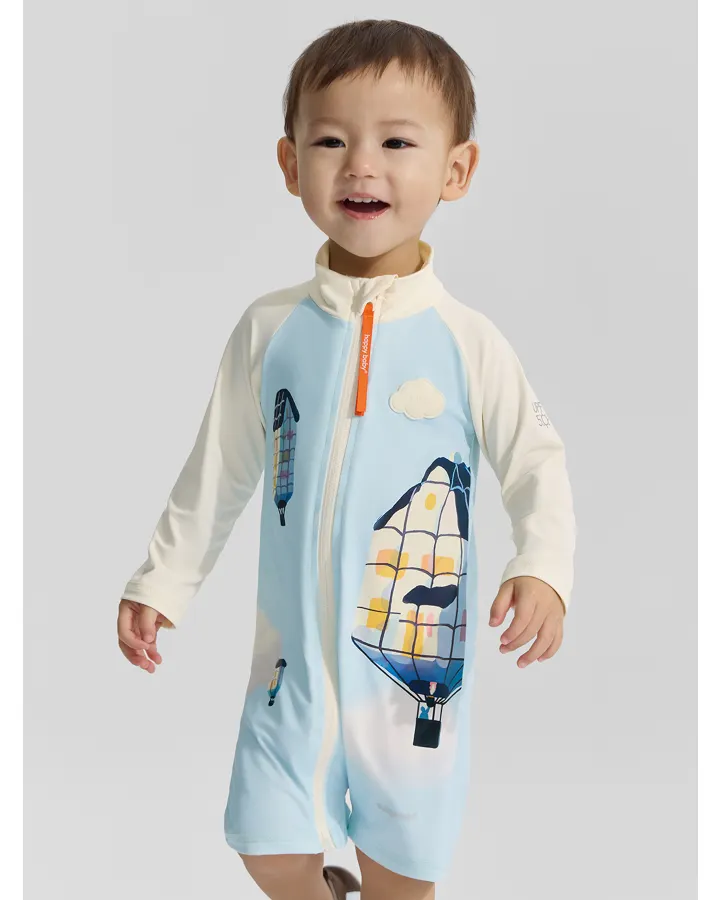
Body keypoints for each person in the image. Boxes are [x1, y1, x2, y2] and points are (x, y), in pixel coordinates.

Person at [116, 18, 577, 900]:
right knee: (264, 841)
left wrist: (544, 565)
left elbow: (535, 462)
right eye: (331, 141)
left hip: (409, 675)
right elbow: (218, 467)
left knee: (403, 872)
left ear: (456, 170)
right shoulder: (271, 328)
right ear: (290, 164)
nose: (362, 165)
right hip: (289, 664)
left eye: (397, 143)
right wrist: (163, 581)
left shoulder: (466, 341)